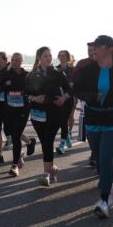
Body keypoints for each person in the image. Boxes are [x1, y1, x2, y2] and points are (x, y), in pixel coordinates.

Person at [72, 36, 113, 218]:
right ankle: (110, 185)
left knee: (107, 156)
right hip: (93, 118)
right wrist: (92, 96)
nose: (94, 50)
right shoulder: (88, 69)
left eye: (97, 47)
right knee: (99, 157)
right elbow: (76, 89)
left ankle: (104, 200)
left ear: (108, 48)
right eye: (93, 47)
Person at [25, 47, 70, 186]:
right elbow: (25, 93)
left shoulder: (57, 73)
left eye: (50, 56)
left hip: (55, 112)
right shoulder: (31, 75)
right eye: (45, 56)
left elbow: (69, 89)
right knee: (45, 142)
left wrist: (63, 98)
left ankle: (46, 174)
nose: (48, 58)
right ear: (39, 58)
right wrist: (34, 98)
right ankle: (53, 169)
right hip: (37, 114)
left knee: (48, 140)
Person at [0, 51, 32, 177]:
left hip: (22, 109)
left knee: (16, 136)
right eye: (14, 60)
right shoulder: (6, 74)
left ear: (22, 61)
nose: (15, 62)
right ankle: (27, 145)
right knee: (9, 131)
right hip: (9, 108)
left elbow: (30, 89)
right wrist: (9, 86)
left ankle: (14, 165)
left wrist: (17, 89)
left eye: (18, 60)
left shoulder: (27, 75)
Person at [56, 51, 77, 154]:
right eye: (60, 55)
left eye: (64, 55)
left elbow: (73, 85)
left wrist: (68, 85)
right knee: (61, 120)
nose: (62, 57)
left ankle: (61, 145)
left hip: (69, 98)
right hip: (58, 98)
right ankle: (67, 136)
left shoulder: (73, 70)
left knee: (64, 119)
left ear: (68, 57)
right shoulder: (55, 69)